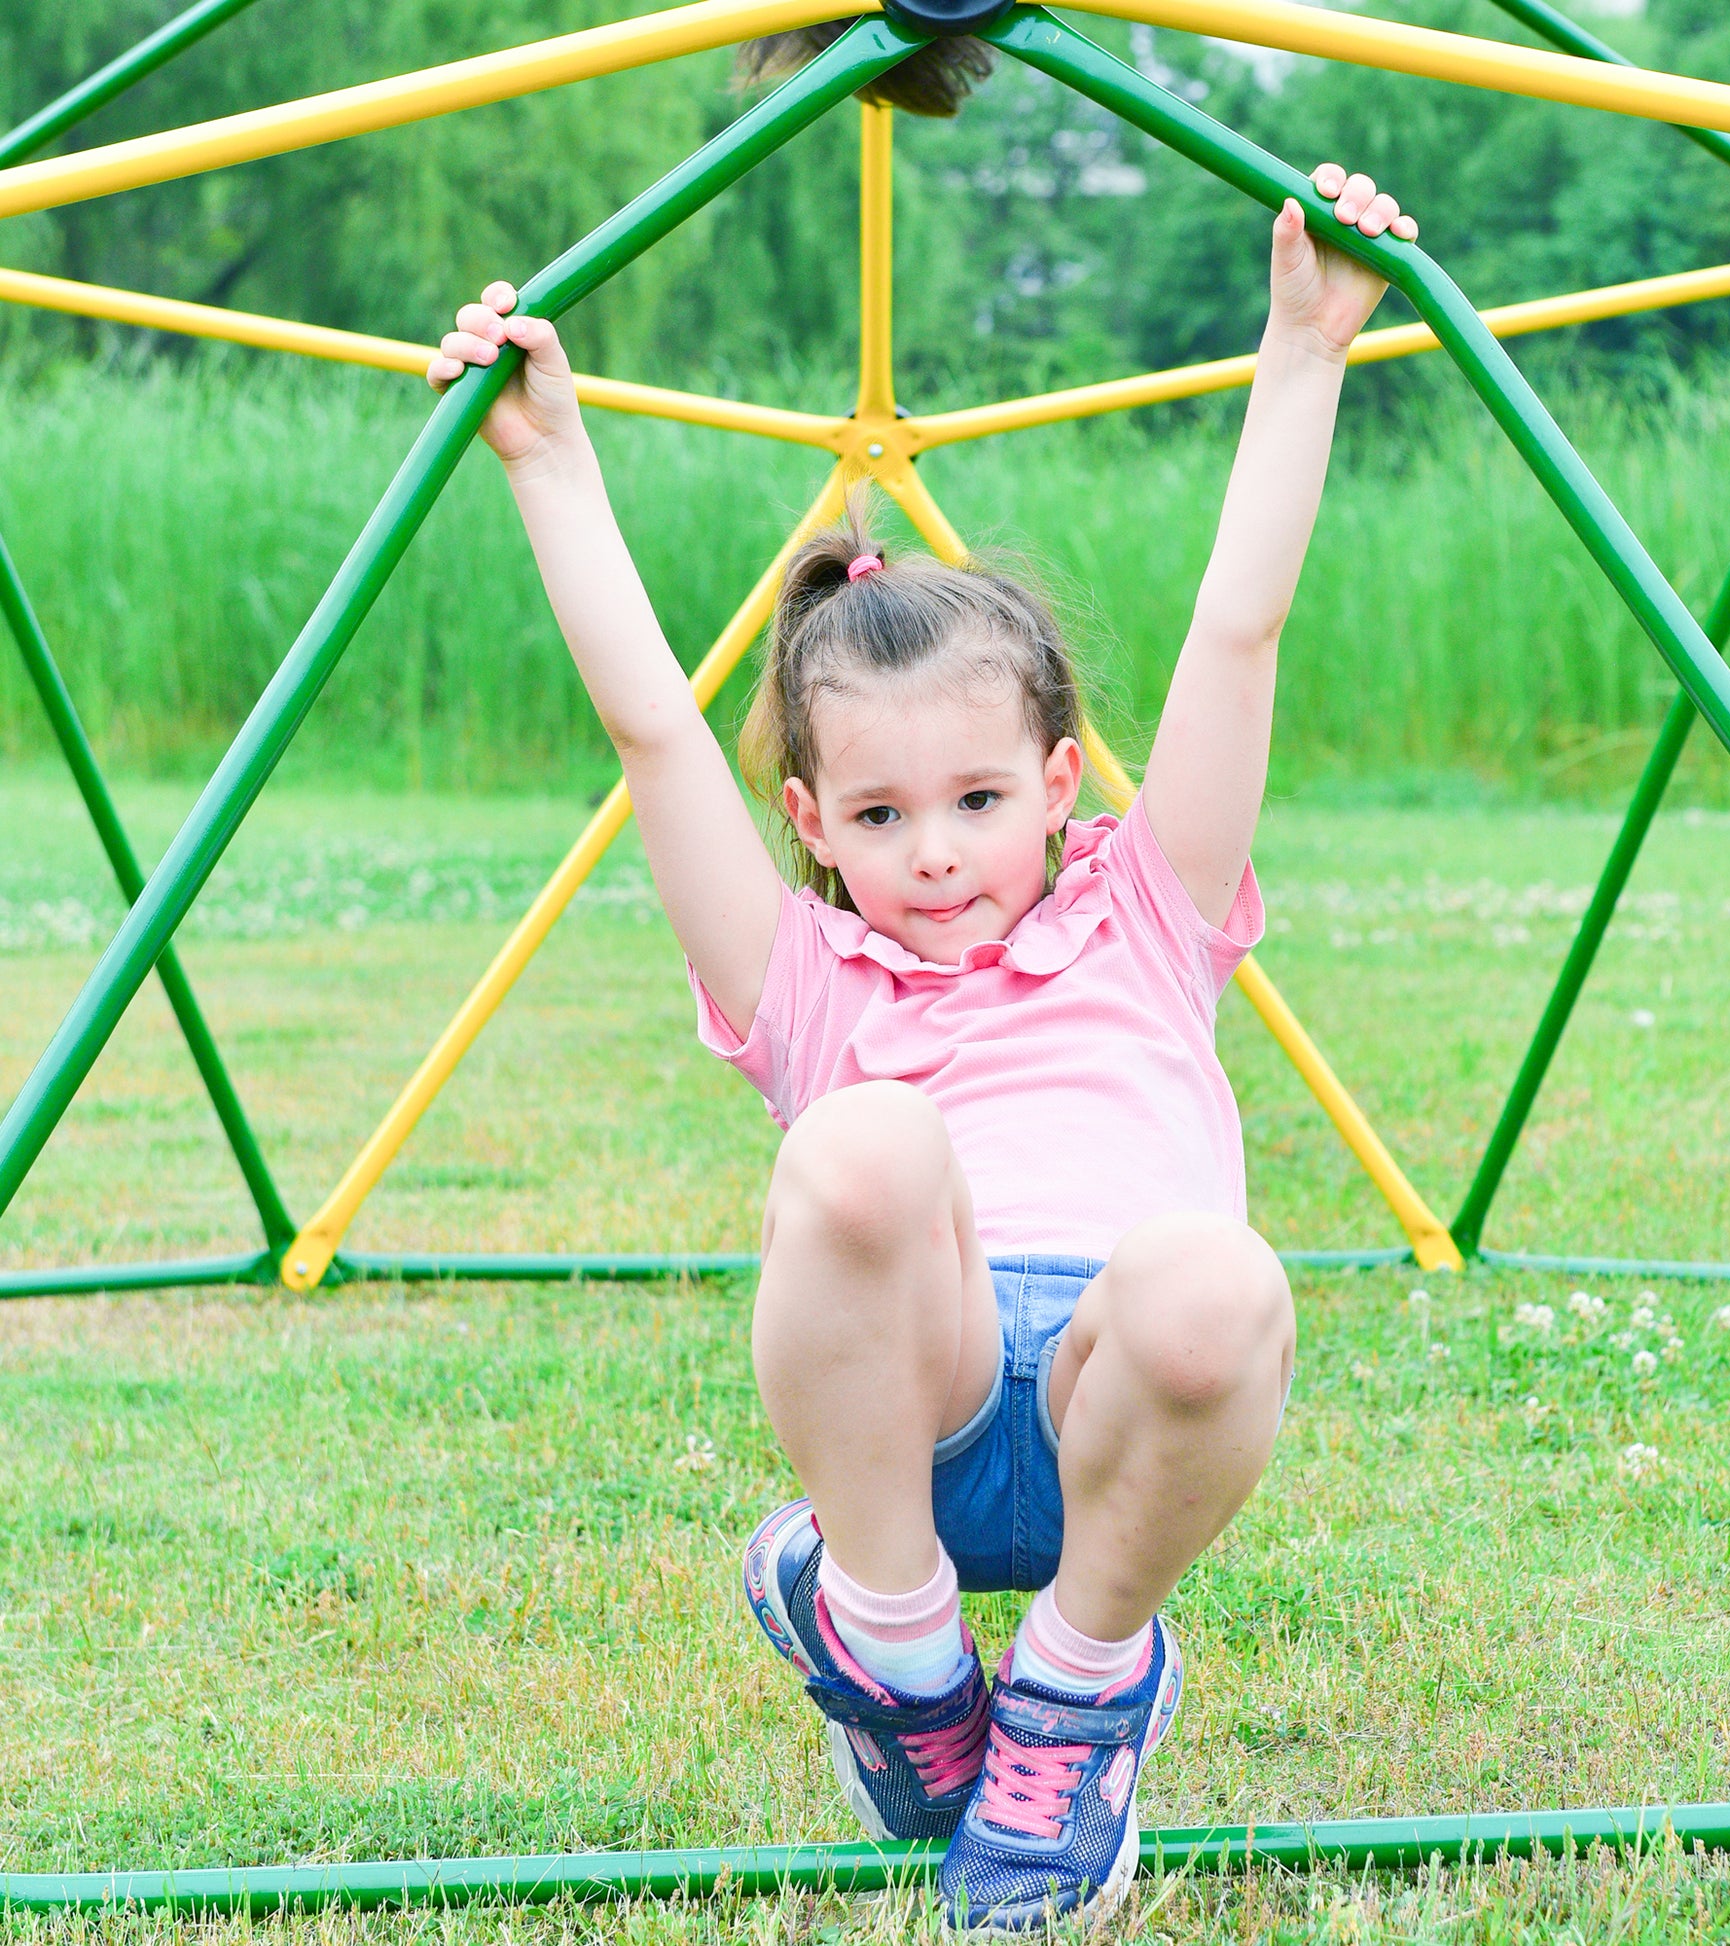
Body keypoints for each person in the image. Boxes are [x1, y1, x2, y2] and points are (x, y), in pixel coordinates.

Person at [430, 161, 1417, 1933]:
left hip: (1120, 1404)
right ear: (813, 826)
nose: (936, 849)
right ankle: (887, 1634)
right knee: (863, 1144)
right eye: (881, 815)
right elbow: (656, 730)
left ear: (1057, 786)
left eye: (974, 798)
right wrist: (546, 458)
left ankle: (1070, 1693)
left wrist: (1303, 353)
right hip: (922, 1406)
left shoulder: (1146, 910)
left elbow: (1237, 626)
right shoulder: (809, 978)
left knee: (1218, 1271)